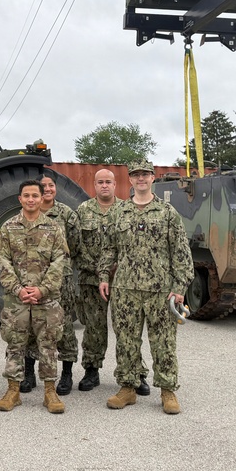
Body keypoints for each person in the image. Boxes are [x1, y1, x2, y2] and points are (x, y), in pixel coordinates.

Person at [98, 158, 193, 414]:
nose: (141, 179)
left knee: (163, 342)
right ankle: (128, 388)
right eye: (136, 175)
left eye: (146, 174)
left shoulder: (167, 212)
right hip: (126, 289)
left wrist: (180, 287)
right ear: (130, 180)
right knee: (126, 340)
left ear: (153, 178)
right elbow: (109, 248)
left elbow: (181, 253)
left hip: (160, 290)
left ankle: (167, 391)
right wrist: (104, 276)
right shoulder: (119, 212)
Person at [0, 179, 68, 414]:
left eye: (35, 195)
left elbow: (59, 261)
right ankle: (13, 391)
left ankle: (49, 392)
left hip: (46, 298)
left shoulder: (54, 228)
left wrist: (42, 289)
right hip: (17, 299)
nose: (31, 199)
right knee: (15, 344)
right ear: (20, 199)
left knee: (48, 344)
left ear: (41, 197)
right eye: (26, 196)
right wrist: (18, 289)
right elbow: (2, 261)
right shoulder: (8, 227)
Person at [74, 169, 149, 396]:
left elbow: (135, 245)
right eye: (100, 182)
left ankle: (136, 372)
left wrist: (115, 269)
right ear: (94, 185)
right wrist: (99, 271)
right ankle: (91, 370)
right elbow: (77, 246)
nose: (104, 185)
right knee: (94, 326)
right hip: (90, 279)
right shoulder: (83, 211)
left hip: (122, 281)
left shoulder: (127, 209)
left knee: (127, 328)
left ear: (115, 184)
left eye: (108, 182)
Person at [31, 173, 80, 396]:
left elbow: (75, 245)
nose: (47, 189)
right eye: (43, 186)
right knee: (32, 325)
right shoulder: (29, 213)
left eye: (51, 185)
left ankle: (67, 374)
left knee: (64, 325)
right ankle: (29, 373)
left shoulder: (67, 214)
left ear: (55, 189)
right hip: (32, 278)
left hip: (61, 280)